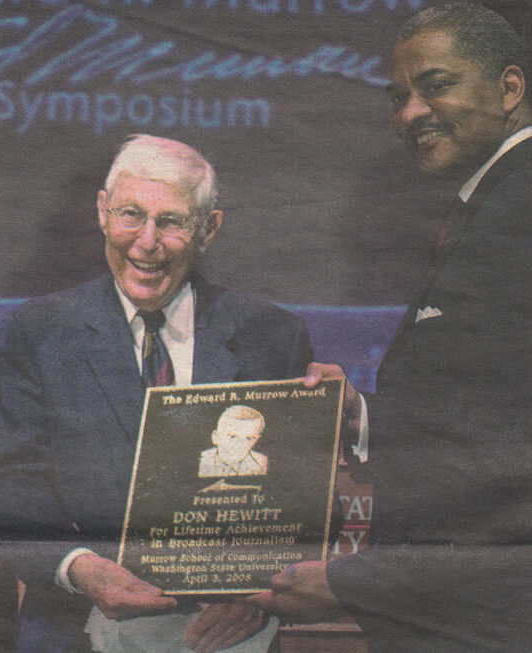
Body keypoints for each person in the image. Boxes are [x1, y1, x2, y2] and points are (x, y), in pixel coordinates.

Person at [250, 3, 532, 650]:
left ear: (509, 88)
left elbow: (504, 474)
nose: (410, 113)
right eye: (398, 97)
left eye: (436, 85)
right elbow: (482, 412)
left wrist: (361, 582)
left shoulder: (520, 209)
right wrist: (362, 416)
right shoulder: (494, 203)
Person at [0, 134, 314, 653]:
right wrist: (80, 568)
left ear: (209, 229)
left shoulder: (273, 336)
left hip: (228, 636)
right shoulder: (37, 333)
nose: (147, 242)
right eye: (131, 215)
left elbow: (304, 496)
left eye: (171, 221)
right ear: (102, 212)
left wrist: (258, 593)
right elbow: (3, 486)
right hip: (76, 625)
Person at [198, 405, 268, 478]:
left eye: (249, 438)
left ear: (256, 440)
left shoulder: (260, 465)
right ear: (216, 437)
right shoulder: (200, 460)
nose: (240, 445)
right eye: (233, 437)